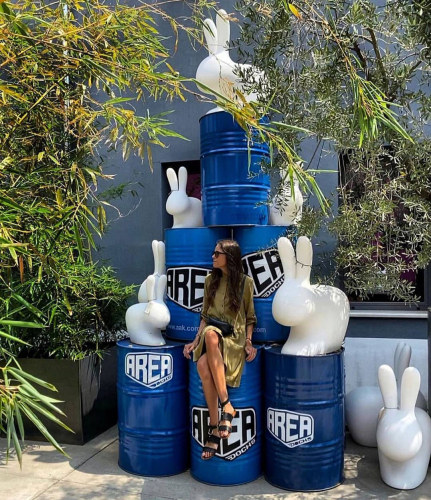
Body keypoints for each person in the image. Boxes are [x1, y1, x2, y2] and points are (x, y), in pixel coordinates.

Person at [183, 239, 257, 460]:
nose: (213, 257)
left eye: (217, 254)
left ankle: (217, 422)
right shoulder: (210, 280)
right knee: (209, 340)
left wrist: (249, 341)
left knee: (203, 364)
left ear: (230, 257)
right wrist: (195, 340)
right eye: (213, 253)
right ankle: (224, 411)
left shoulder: (245, 283)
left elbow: (250, 317)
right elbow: (205, 316)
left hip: (233, 337)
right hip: (212, 335)